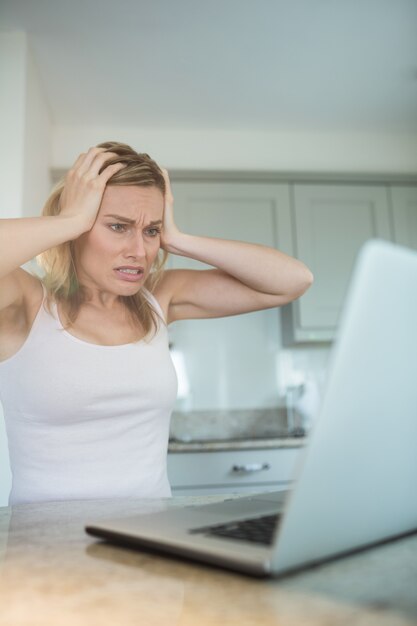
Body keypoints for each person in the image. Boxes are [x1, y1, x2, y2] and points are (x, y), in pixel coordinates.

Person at [0, 141, 313, 505]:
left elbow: (294, 280)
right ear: (77, 229)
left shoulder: (158, 298)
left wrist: (178, 238)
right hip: (45, 550)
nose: (140, 250)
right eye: (118, 226)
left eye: (151, 231)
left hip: (149, 539)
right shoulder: (25, 304)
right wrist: (69, 220)